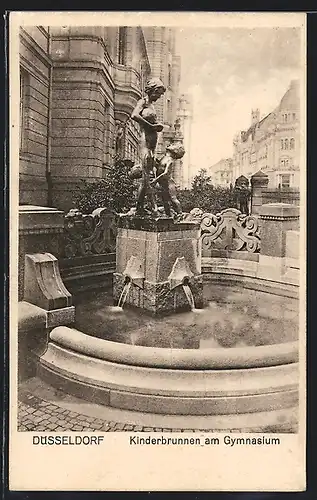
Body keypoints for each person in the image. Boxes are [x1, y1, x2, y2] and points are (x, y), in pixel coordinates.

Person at [131, 77, 166, 216]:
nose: (158, 96)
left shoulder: (151, 105)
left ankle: (139, 207)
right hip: (145, 141)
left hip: (152, 144)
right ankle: (153, 207)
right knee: (147, 177)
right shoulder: (143, 102)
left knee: (147, 177)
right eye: (157, 93)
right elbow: (134, 115)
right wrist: (152, 126)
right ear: (152, 90)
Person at [150, 142, 185, 220]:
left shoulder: (170, 160)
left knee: (173, 199)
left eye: (172, 145)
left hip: (169, 184)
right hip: (163, 184)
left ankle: (180, 214)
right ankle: (168, 216)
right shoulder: (163, 158)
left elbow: (165, 173)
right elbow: (157, 165)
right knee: (165, 201)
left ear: (175, 151)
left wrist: (155, 180)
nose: (169, 145)